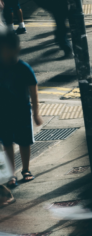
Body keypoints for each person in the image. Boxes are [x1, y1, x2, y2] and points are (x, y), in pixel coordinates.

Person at [0, 30, 41, 189]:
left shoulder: (24, 68)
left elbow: (33, 90)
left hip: (22, 112)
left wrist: (36, 112)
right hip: (3, 113)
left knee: (24, 142)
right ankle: (11, 173)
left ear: (16, 49)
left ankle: (25, 169)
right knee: (7, 143)